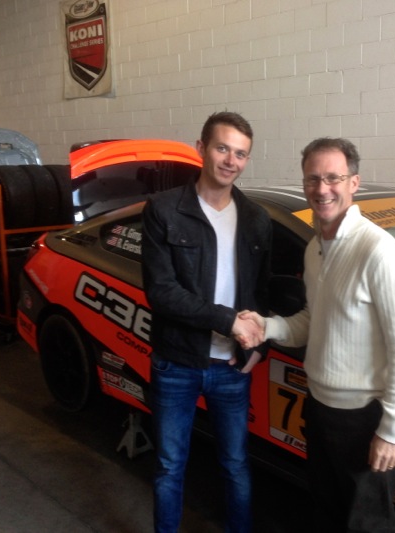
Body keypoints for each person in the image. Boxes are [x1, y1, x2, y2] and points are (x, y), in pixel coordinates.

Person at [239, 138, 395, 532]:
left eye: (332, 178)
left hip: (363, 419)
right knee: (326, 513)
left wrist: (392, 431)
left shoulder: (379, 252)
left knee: (368, 526)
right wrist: (266, 326)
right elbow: (313, 319)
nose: (322, 189)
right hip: (320, 408)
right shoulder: (315, 249)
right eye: (312, 179)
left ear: (353, 182)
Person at [141, 111, 271, 533]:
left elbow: (264, 295)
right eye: (222, 148)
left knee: (235, 464)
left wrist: (259, 347)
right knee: (169, 466)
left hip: (232, 368)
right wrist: (227, 321)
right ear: (201, 148)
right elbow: (161, 292)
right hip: (176, 363)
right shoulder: (164, 210)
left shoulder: (256, 219)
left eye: (241, 153)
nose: (231, 161)